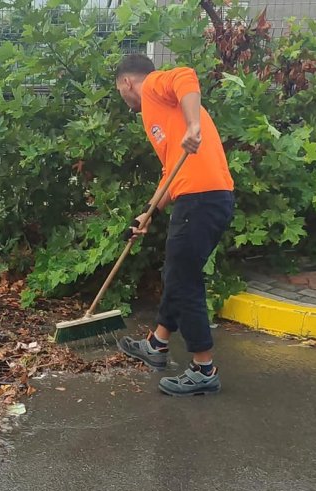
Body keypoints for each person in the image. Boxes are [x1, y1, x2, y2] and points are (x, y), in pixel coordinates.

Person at [113, 53, 235, 397]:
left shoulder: (152, 85)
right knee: (177, 273)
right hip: (199, 197)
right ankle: (157, 344)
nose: (124, 101)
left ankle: (203, 368)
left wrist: (195, 124)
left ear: (126, 83)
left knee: (184, 279)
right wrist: (148, 212)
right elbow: (171, 170)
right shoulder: (160, 116)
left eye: (121, 93)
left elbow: (185, 75)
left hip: (202, 197)